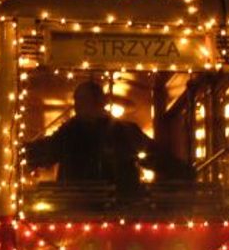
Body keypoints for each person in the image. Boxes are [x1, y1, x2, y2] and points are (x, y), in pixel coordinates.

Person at [24, 81, 191, 191]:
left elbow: (44, 152)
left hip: (77, 208)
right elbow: (158, 158)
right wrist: (185, 174)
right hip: (119, 208)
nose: (78, 106)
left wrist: (20, 154)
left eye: (82, 101)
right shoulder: (124, 131)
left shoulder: (69, 133)